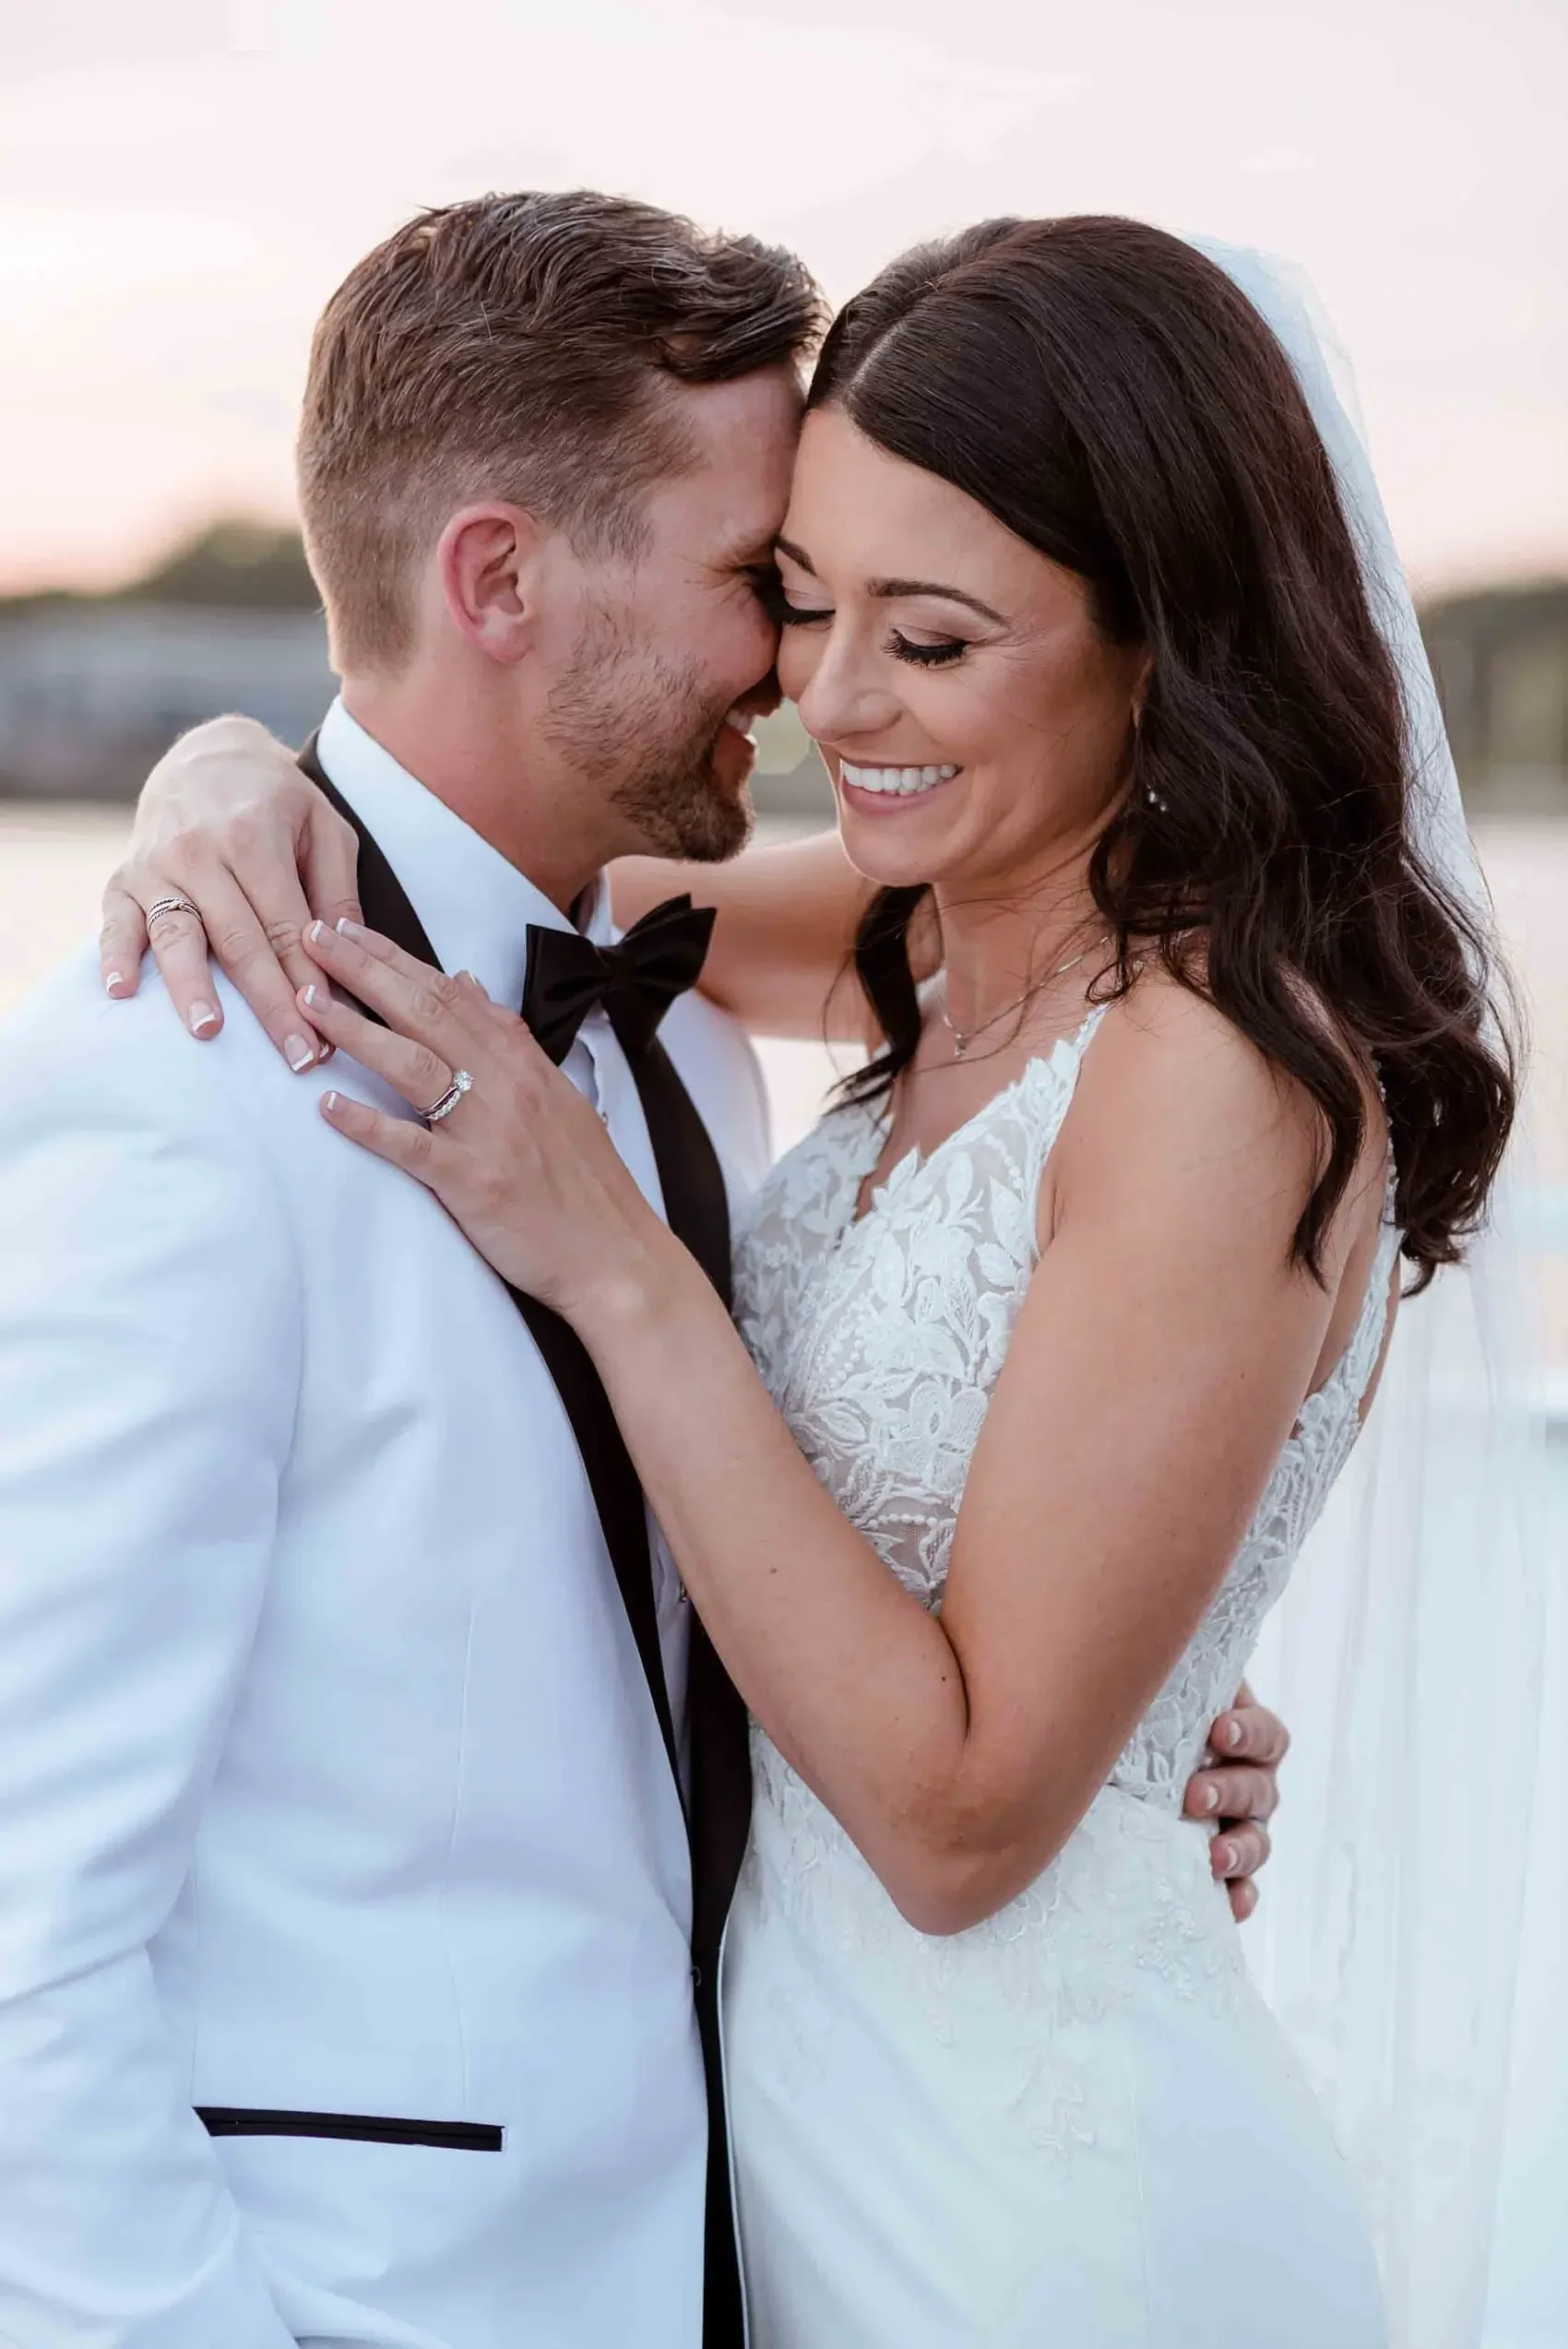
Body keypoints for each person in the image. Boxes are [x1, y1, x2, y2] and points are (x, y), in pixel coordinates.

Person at [94, 212, 1516, 2346]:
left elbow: (957, 1821)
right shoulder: (916, 938)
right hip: (779, 2174)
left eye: (927, 639)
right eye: (799, 597)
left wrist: (616, 1265)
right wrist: (210, 776)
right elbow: (495, 861)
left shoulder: (1218, 1070)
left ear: (1163, 640)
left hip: (1045, 2216)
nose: (822, 699)